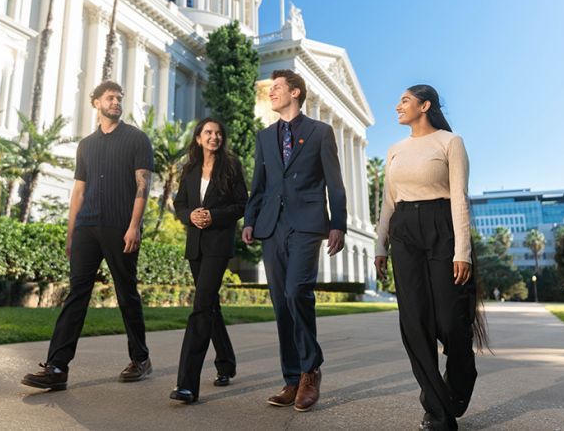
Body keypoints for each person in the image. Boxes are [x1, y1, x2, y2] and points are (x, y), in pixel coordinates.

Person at [22, 81, 154, 391]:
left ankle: (140, 358)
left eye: (119, 98)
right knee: (77, 294)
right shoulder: (86, 145)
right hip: (86, 228)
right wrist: (71, 232)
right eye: (110, 97)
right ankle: (57, 367)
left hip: (120, 227)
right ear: (96, 103)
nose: (116, 102)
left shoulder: (137, 139)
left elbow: (143, 186)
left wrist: (134, 225)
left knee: (126, 294)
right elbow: (78, 191)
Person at [373, 84, 487, 431]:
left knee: (453, 323)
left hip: (442, 229)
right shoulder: (394, 149)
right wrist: (380, 245)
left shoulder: (449, 143)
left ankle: (457, 380)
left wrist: (462, 251)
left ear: (425, 105)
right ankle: (438, 412)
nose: (397, 106)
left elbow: (458, 198)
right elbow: (388, 202)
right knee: (414, 323)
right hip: (404, 230)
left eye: (404, 100)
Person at [242, 69, 346, 413]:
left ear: (296, 92)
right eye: (270, 89)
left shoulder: (320, 132)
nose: (271, 93)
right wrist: (250, 220)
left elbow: (335, 181)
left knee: (296, 292)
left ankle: (310, 370)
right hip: (272, 226)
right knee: (280, 303)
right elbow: (259, 185)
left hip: (307, 223)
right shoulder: (264, 136)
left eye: (277, 88)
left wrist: (338, 224)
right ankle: (291, 378)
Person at [169, 117, 249, 404]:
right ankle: (226, 362)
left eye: (218, 132)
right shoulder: (189, 169)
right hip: (195, 246)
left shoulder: (231, 166)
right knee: (210, 305)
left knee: (201, 307)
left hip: (217, 245)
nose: (214, 137)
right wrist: (189, 215)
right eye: (208, 132)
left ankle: (187, 384)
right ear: (199, 138)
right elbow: (179, 204)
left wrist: (214, 216)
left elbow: (242, 204)